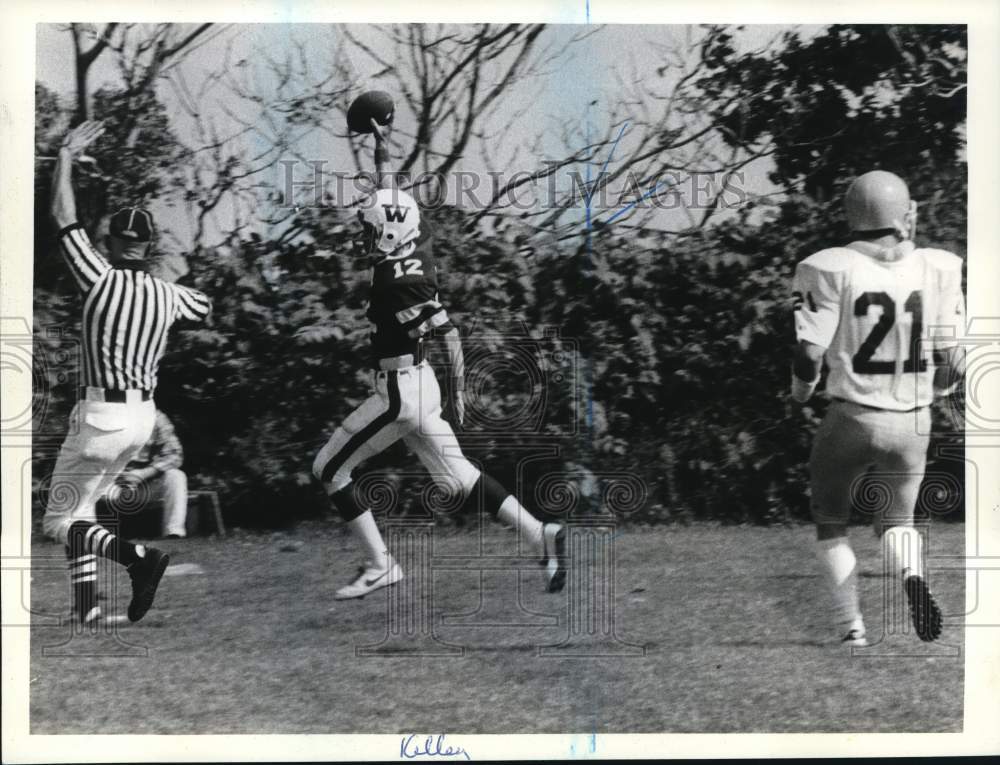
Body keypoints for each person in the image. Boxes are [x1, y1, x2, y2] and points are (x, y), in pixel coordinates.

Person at [308, 118, 566, 600]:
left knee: (329, 469)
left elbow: (447, 332)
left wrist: (463, 387)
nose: (362, 238)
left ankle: (380, 564)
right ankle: (541, 534)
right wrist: (382, 151)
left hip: (400, 393)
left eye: (368, 231)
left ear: (386, 234)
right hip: (419, 385)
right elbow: (393, 199)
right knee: (459, 476)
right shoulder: (415, 238)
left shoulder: (394, 280)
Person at [43, 121, 212, 625]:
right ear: (149, 246)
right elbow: (203, 306)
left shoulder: (97, 277)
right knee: (84, 511)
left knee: (58, 520)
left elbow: (60, 214)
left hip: (101, 413)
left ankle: (138, 561)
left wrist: (67, 156)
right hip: (143, 420)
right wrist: (164, 273)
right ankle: (88, 607)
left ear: (114, 241)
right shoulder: (170, 294)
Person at [791, 170, 965, 646]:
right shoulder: (939, 267)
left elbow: (808, 353)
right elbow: (952, 359)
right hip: (912, 419)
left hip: (851, 415)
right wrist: (941, 394)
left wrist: (801, 393)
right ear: (902, 214)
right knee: (897, 523)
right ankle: (910, 573)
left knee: (831, 521)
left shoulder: (829, 266)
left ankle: (853, 628)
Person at [110, 409, 189, 539]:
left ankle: (173, 533)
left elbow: (175, 455)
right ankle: (86, 535)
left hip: (145, 484)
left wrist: (143, 474)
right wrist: (118, 475)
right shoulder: (102, 417)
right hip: (110, 485)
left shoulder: (156, 417)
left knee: (176, 476)